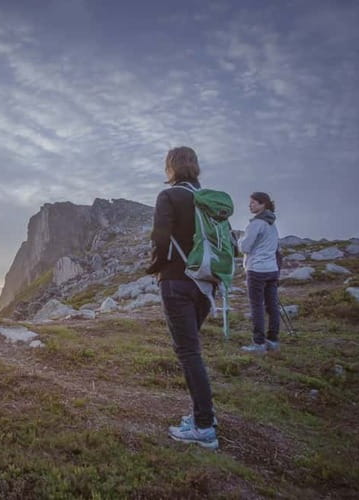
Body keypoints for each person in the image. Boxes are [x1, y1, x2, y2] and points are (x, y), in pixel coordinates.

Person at [146, 146, 219, 450]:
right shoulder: (209, 199)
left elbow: (161, 236)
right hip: (206, 283)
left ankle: (204, 427)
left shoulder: (169, 196)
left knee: (188, 352)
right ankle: (203, 418)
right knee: (191, 350)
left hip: (176, 281)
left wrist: (155, 265)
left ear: (170, 168)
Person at [239, 192, 280, 353]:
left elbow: (244, 247)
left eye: (254, 202)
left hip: (257, 269)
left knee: (257, 306)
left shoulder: (256, 224)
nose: (250, 205)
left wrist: (240, 239)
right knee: (272, 305)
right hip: (272, 269)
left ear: (263, 204)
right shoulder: (272, 224)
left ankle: (259, 344)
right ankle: (273, 340)